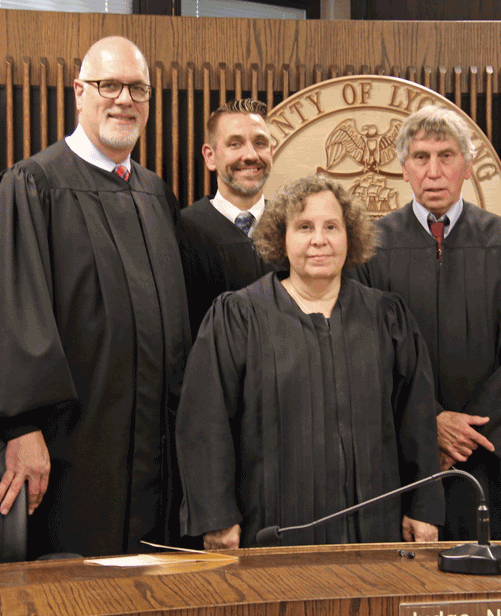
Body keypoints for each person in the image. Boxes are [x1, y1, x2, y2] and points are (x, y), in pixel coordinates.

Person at [0, 36, 191, 558]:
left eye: (138, 88)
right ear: (79, 92)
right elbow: (1, 314)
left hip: (156, 455)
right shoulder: (33, 186)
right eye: (109, 85)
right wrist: (21, 426)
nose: (124, 99)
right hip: (70, 455)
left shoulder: (156, 196)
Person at [176, 175, 444, 549]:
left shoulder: (386, 317)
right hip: (273, 534)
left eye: (331, 227)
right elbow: (205, 423)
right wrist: (217, 518)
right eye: (304, 227)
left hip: (374, 532)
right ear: (281, 238)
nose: (319, 240)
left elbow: (415, 419)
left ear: (349, 237)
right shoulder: (239, 317)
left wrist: (425, 506)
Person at [350, 106, 501, 541]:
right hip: (408, 457)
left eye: (446, 156)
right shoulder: (372, 249)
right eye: (421, 157)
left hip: (493, 449)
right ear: (404, 168)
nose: (434, 171)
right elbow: (365, 355)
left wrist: (466, 432)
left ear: (467, 164)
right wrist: (431, 424)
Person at [178, 99, 276, 338]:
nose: (251, 155)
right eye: (235, 144)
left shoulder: (293, 227)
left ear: (271, 152)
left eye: (260, 143)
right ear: (210, 156)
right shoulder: (183, 231)